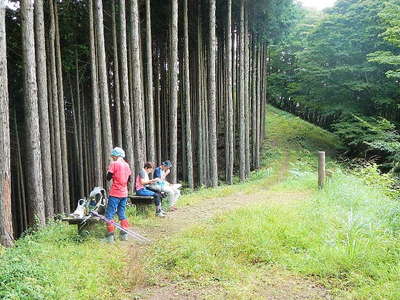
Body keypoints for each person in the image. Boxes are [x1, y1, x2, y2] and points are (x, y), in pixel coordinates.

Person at [105, 147, 132, 243]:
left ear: (116, 155)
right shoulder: (127, 165)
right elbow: (129, 179)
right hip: (124, 193)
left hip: (115, 193)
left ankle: (110, 237)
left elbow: (108, 178)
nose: (112, 157)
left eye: (113, 156)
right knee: (122, 213)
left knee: (109, 214)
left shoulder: (114, 164)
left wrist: (109, 172)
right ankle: (124, 235)